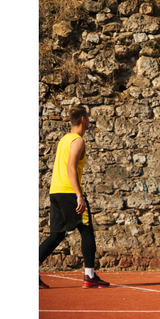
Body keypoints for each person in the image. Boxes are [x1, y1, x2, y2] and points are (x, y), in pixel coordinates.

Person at [39, 106, 110, 289]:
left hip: (55, 191)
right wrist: (79, 195)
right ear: (84, 120)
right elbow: (71, 167)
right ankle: (89, 276)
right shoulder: (77, 141)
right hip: (69, 191)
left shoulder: (64, 139)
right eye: (88, 117)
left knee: (57, 234)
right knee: (86, 228)